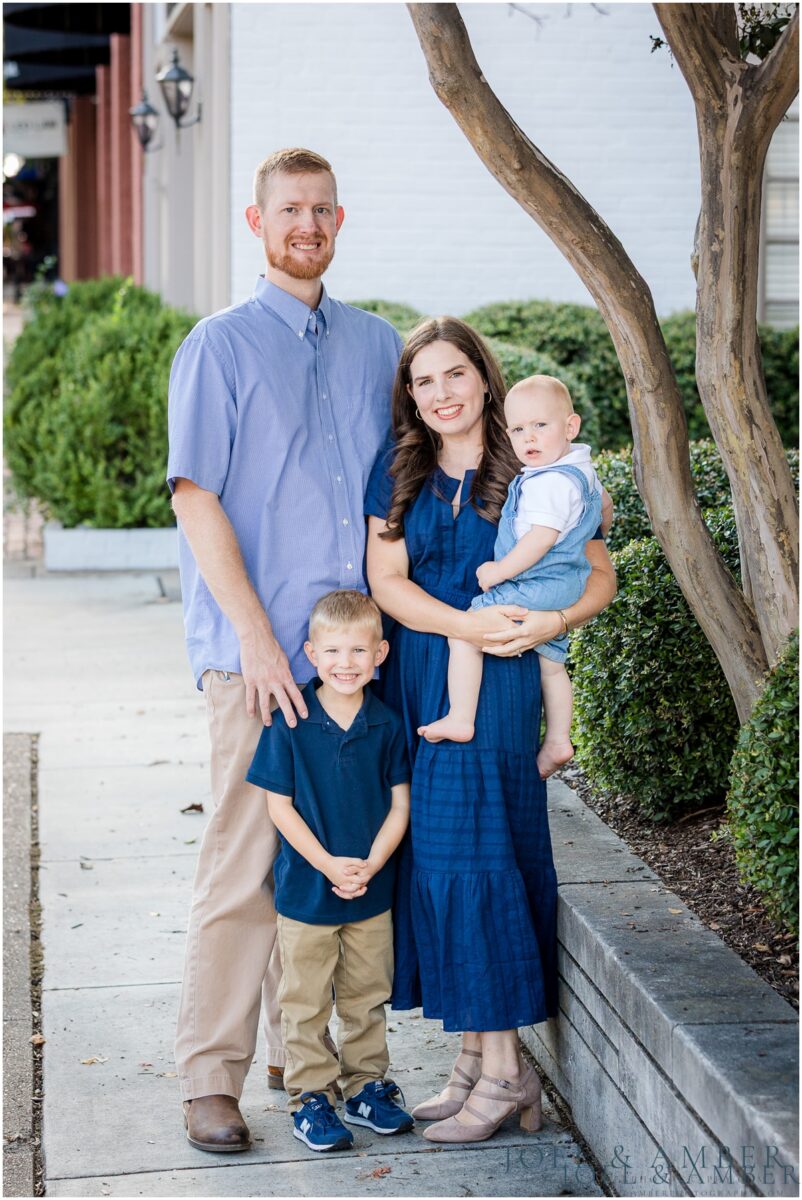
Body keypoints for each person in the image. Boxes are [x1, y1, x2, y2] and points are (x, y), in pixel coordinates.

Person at [167, 147, 402, 1153]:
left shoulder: (376, 344)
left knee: (319, 875)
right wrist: (260, 643)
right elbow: (194, 496)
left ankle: (291, 1053)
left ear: (339, 222)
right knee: (241, 867)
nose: (305, 223)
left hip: (349, 661)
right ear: (256, 224)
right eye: (287, 209)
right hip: (254, 658)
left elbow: (383, 497)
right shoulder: (216, 348)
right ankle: (209, 1079)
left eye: (320, 209)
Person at [365, 317, 616, 1144]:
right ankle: (475, 1059)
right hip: (422, 677)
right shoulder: (400, 467)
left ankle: (507, 1074)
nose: (440, 394)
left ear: (484, 377)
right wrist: (459, 627)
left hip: (499, 681)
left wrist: (551, 625)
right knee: (439, 858)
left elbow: (598, 572)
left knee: (476, 857)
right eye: (423, 381)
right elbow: (387, 582)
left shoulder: (531, 461)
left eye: (454, 375)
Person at [246, 590, 413, 1152]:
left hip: (371, 889)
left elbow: (400, 805)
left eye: (360, 651)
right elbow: (279, 807)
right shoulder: (289, 720)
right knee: (306, 1000)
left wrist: (372, 863)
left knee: (366, 995)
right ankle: (312, 1097)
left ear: (381, 653)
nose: (347, 663)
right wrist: (327, 864)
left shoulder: (387, 723)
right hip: (307, 892)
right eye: (334, 651)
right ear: (311, 653)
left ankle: (367, 1086)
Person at [418, 374, 612, 780]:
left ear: (570, 426)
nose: (529, 437)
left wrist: (497, 571)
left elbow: (539, 540)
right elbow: (599, 516)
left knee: (465, 631)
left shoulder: (550, 482)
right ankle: (559, 739)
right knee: (552, 663)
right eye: (519, 429)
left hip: (536, 581)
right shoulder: (579, 471)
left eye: (541, 425)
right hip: (563, 583)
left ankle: (460, 715)